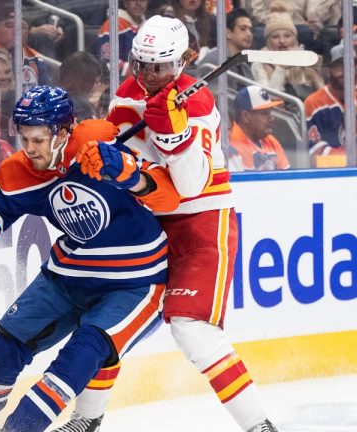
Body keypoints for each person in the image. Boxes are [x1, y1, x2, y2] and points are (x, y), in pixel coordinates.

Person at [55, 15, 278, 432]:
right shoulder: (126, 94)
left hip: (200, 223)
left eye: (160, 67)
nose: (150, 76)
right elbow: (123, 157)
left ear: (182, 62)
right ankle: (86, 418)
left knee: (193, 330)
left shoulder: (197, 102)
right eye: (142, 65)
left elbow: (191, 186)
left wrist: (174, 137)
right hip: (145, 223)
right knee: (108, 320)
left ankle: (259, 426)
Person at [0, 85, 180, 432]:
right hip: (67, 276)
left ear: (63, 132)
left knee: (80, 356)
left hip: (134, 283)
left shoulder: (102, 143)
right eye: (24, 139)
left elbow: (169, 196)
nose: (29, 150)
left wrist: (130, 174)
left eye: (38, 140)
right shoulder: (22, 170)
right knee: (3, 348)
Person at [305, 42, 357, 165]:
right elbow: (314, 154)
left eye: (350, 66)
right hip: (330, 176)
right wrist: (354, 157)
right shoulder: (313, 104)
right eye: (339, 67)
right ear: (327, 71)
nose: (346, 72)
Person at [250, 1, 324, 100]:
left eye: (287, 36)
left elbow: (322, 95)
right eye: (275, 37)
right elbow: (267, 98)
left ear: (294, 39)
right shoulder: (259, 64)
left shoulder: (306, 60)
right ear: (268, 40)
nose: (282, 41)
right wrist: (281, 68)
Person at [230, 86, 291, 171]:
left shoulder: (271, 141)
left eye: (270, 112)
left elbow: (287, 177)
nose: (271, 118)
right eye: (264, 113)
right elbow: (248, 182)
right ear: (245, 116)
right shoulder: (233, 143)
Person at [198, 8, 254, 91]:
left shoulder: (244, 66)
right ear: (228, 33)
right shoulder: (213, 62)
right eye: (243, 29)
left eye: (250, 30)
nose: (249, 34)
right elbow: (215, 97)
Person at [93, 0, 148, 79]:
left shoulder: (149, 27)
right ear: (126, 3)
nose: (138, 3)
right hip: (121, 83)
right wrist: (139, 71)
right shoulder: (112, 25)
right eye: (133, 0)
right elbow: (106, 64)